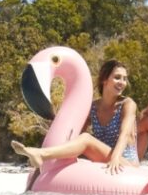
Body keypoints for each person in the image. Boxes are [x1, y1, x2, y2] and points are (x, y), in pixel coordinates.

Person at [11, 59, 140, 175]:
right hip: (104, 159)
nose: (122, 82)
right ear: (104, 80)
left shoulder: (127, 104)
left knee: (86, 139)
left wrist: (115, 158)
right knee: (76, 146)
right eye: (117, 77)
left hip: (126, 163)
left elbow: (124, 134)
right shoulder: (93, 107)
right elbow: (75, 137)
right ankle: (38, 163)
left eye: (124, 78)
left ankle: (41, 153)